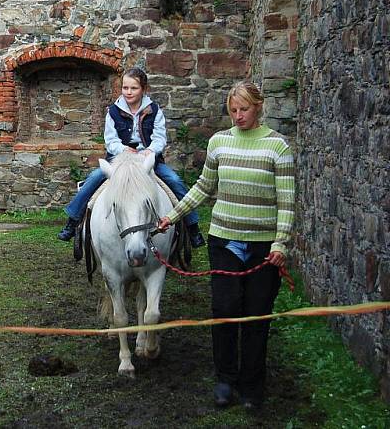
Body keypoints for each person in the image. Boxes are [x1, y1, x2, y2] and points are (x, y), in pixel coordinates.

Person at [156, 81, 295, 410]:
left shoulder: (278, 147)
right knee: (225, 309)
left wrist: (281, 243)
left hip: (264, 248)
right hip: (225, 241)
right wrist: (172, 216)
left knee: (257, 314)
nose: (237, 116)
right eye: (233, 110)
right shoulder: (219, 142)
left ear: (258, 107)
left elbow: (287, 202)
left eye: (243, 109)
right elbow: (204, 188)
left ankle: (252, 385)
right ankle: (225, 380)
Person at [57, 66, 205, 248]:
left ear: (143, 89)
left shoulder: (154, 110)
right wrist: (123, 150)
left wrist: (150, 151)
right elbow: (110, 140)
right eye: (125, 88)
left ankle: (192, 227)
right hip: (120, 160)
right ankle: (73, 221)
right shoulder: (113, 111)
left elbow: (160, 138)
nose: (129, 92)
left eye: (133, 88)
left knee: (174, 180)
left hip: (148, 161)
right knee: (94, 179)